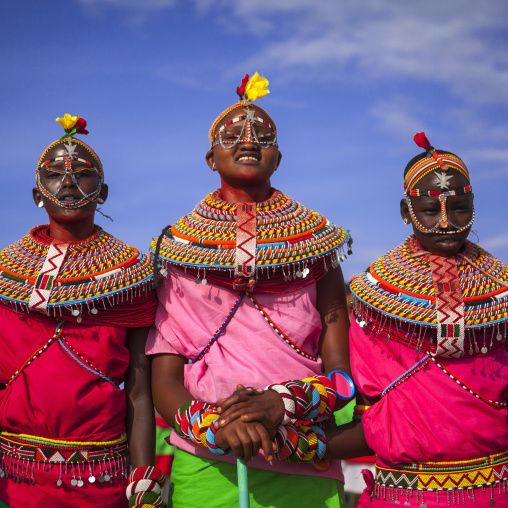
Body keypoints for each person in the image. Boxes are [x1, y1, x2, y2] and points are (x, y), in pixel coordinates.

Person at [147, 73, 362, 507]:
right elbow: (165, 379)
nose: (248, 141)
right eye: (232, 135)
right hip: (208, 463)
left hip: (304, 464)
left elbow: (341, 378)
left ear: (278, 158)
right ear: (210, 158)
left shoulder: (318, 253)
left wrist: (281, 404)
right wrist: (217, 426)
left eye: (262, 136)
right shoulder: (177, 254)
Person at [0, 115, 163, 507]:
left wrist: (143, 483)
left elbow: (139, 394)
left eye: (84, 174)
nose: (69, 182)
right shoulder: (4, 275)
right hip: (13, 479)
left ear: (102, 192)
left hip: (102, 481)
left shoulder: (132, 277)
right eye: (54, 173)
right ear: (37, 193)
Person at [345, 133, 508, 506]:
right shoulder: (375, 297)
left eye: (461, 208)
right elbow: (372, 406)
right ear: (406, 212)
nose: (448, 223)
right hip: (403, 493)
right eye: (432, 211)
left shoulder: (501, 292)